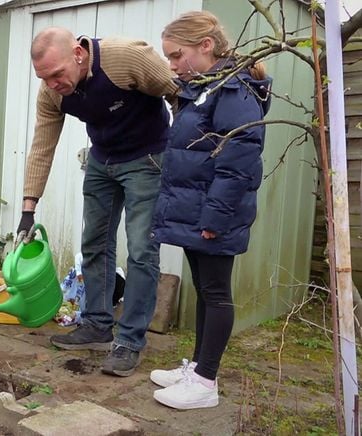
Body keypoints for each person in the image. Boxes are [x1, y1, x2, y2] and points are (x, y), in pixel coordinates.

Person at [19, 27, 178, 376]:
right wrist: (27, 210)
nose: (51, 84)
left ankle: (130, 341)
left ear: (78, 53)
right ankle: (97, 325)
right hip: (102, 160)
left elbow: (178, 94)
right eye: (43, 78)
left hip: (147, 159)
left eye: (57, 74)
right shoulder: (52, 93)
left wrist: (185, 158)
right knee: (94, 244)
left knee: (140, 249)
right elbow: (43, 145)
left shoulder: (126, 58)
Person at [150, 11, 271, 410]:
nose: (170, 65)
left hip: (214, 214)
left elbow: (239, 162)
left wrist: (214, 219)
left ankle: (205, 383)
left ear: (205, 46)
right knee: (205, 290)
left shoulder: (234, 90)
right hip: (196, 208)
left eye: (175, 55)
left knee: (216, 293)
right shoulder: (205, 86)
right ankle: (198, 367)